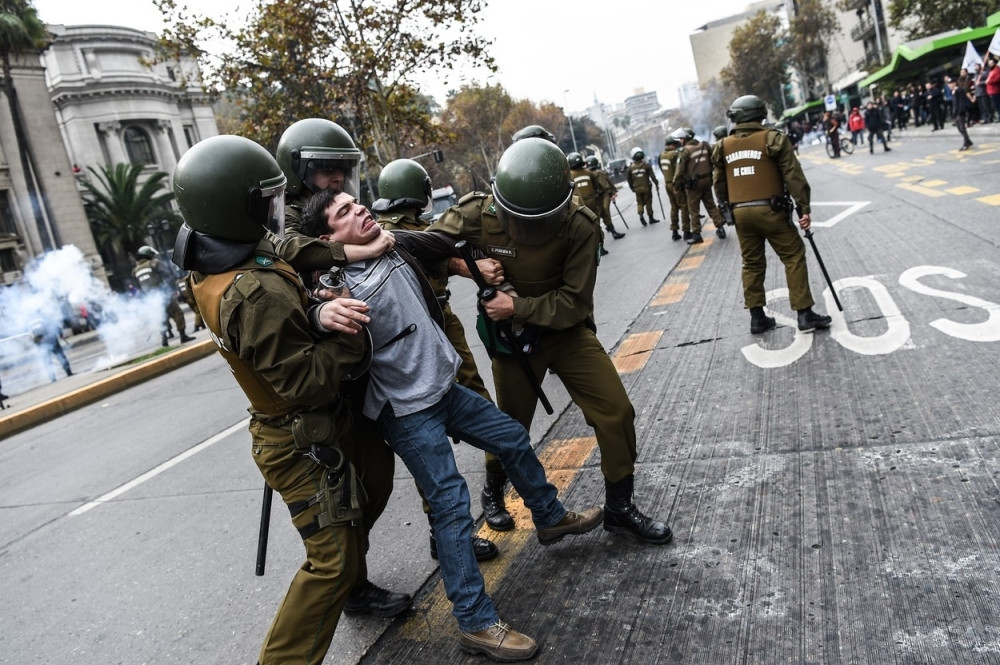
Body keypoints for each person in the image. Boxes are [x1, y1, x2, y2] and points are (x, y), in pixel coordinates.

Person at [300, 186, 604, 662]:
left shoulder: (393, 241)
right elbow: (312, 312)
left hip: (444, 388)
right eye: (344, 212)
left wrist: (474, 261)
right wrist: (321, 310)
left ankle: (548, 517)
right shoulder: (332, 285)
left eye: (357, 202)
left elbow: (441, 242)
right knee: (451, 506)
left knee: (510, 437)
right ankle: (476, 623)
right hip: (405, 409)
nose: (360, 210)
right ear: (326, 237)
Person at [171, 135, 406, 665]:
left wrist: (315, 307)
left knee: (373, 484)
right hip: (302, 432)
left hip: (319, 423)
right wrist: (348, 331)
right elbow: (308, 382)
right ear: (235, 208)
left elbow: (286, 267)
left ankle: (354, 583)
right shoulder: (253, 293)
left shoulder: (218, 257)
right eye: (264, 202)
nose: (276, 212)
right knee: (332, 563)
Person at [428, 137, 673, 547]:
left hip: (565, 333)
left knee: (616, 412)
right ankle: (493, 491)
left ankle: (619, 507)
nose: (525, 229)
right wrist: (466, 266)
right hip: (510, 343)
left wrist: (516, 306)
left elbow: (575, 302)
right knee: (507, 426)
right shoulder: (477, 213)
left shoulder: (580, 224)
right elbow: (421, 247)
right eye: (516, 218)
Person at [272, 118, 425, 616]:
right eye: (324, 171)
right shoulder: (282, 224)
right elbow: (293, 253)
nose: (337, 179)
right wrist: (354, 249)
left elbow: (392, 239)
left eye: (342, 170)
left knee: (377, 479)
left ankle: (357, 573)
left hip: (359, 364)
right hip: (317, 374)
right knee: (342, 496)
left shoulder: (345, 212)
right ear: (298, 173)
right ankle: (351, 584)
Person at [371, 157, 505, 558]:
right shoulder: (417, 233)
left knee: (422, 438)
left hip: (399, 340)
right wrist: (472, 266)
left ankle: (441, 532)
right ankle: (494, 496)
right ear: (421, 193)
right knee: (485, 413)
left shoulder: (370, 233)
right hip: (436, 322)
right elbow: (438, 251)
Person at [713, 95, 833, 335]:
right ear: (759, 114)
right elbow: (793, 176)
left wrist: (727, 210)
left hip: (741, 214)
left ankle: (757, 318)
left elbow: (719, 184)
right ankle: (804, 313)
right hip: (771, 210)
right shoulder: (773, 139)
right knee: (793, 255)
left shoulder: (722, 146)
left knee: (752, 263)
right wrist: (804, 209)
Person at [131, 245, 193, 347]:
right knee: (178, 313)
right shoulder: (154, 263)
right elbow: (168, 276)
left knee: (160, 317)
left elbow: (138, 287)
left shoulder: (135, 270)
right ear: (148, 255)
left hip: (150, 299)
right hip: (163, 295)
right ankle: (183, 336)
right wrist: (174, 289)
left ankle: (164, 340)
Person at [672, 127, 725, 243]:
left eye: (681, 138)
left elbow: (679, 172)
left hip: (693, 186)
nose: (680, 141)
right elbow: (713, 160)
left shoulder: (684, 151)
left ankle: (697, 235)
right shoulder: (705, 145)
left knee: (694, 210)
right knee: (711, 205)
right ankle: (720, 227)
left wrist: (676, 186)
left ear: (685, 138)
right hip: (707, 181)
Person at [567, 151, 610, 256]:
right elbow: (597, 188)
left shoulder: (569, 177)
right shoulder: (589, 173)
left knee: (582, 229)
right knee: (596, 226)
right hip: (593, 204)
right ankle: (601, 248)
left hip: (579, 206)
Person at [586, 154, 626, 241]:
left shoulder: (588, 174)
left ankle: (609, 230)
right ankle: (611, 231)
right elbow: (606, 184)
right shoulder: (599, 173)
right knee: (605, 212)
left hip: (594, 197)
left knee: (600, 214)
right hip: (603, 195)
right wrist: (611, 192)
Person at [659, 135, 692, 241]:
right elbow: (679, 170)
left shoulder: (662, 155)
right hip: (676, 184)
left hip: (667, 184)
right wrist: (678, 185)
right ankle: (686, 232)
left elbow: (661, 169)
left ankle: (674, 231)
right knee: (684, 207)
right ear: (673, 145)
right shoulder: (674, 154)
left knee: (674, 207)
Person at [625, 147, 660, 226]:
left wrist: (632, 188)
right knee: (648, 202)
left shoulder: (630, 168)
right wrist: (656, 184)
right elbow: (652, 176)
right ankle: (651, 218)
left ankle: (641, 214)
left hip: (637, 189)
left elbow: (629, 179)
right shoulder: (646, 165)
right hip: (646, 188)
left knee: (640, 202)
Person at [948, 78, 975, 151]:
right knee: (959, 128)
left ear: (954, 83)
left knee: (962, 128)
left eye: (950, 83)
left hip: (960, 111)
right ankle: (968, 141)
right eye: (948, 84)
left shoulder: (959, 90)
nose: (949, 85)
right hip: (956, 112)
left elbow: (961, 102)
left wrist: (960, 111)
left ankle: (966, 143)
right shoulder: (953, 92)